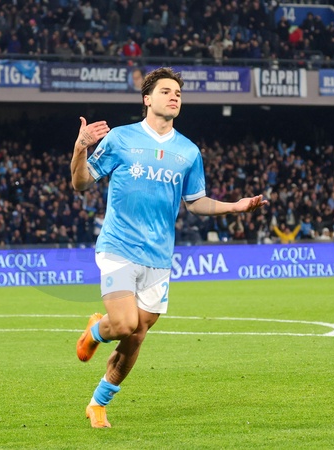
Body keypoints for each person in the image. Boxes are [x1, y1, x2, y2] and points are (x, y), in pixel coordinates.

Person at [70, 67, 268, 428]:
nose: (174, 96)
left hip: (159, 257)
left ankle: (98, 403)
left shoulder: (188, 151)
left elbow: (196, 202)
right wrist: (81, 147)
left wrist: (234, 206)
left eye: (178, 92)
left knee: (136, 335)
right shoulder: (121, 138)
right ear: (147, 99)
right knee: (125, 323)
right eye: (165, 91)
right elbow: (81, 183)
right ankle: (96, 331)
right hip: (118, 246)